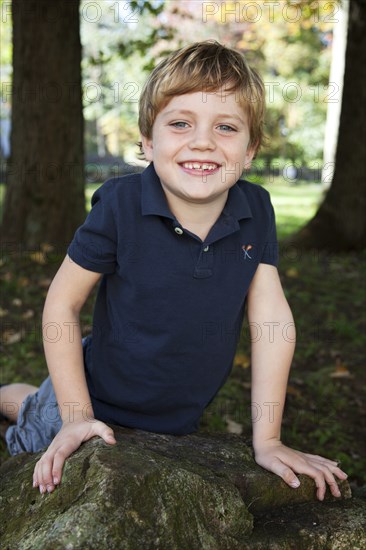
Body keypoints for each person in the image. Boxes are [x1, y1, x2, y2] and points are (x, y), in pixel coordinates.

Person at [0, 40, 347, 498]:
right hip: (90, 398)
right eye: (180, 123)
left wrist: (268, 440)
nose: (202, 141)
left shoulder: (256, 208)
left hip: (174, 421)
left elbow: (271, 322)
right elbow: (62, 304)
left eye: (226, 127)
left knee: (29, 400)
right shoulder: (120, 205)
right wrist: (77, 416)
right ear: (148, 141)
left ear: (250, 150)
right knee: (29, 428)